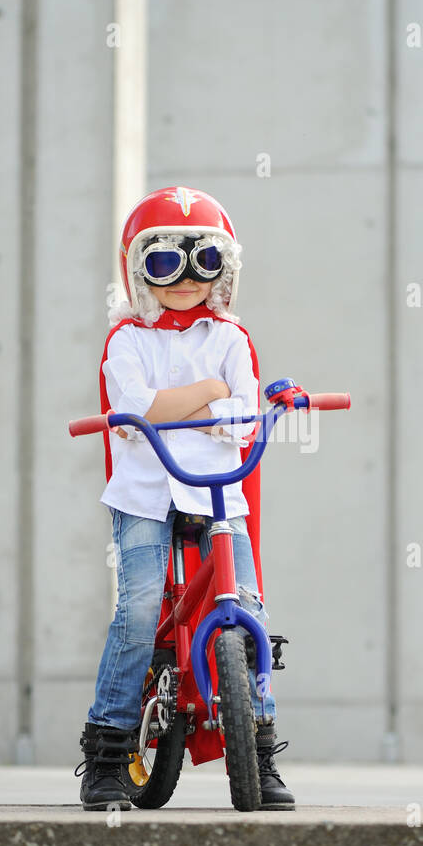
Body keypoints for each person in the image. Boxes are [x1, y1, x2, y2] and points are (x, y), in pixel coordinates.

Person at [75, 185, 294, 811]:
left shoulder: (231, 337)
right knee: (141, 610)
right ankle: (108, 752)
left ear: (223, 271)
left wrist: (196, 409)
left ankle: (260, 747)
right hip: (146, 492)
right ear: (137, 268)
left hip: (220, 492)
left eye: (201, 264)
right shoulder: (127, 340)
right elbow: (137, 410)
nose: (183, 281)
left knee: (247, 609)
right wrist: (207, 394)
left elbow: (243, 419)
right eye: (163, 264)